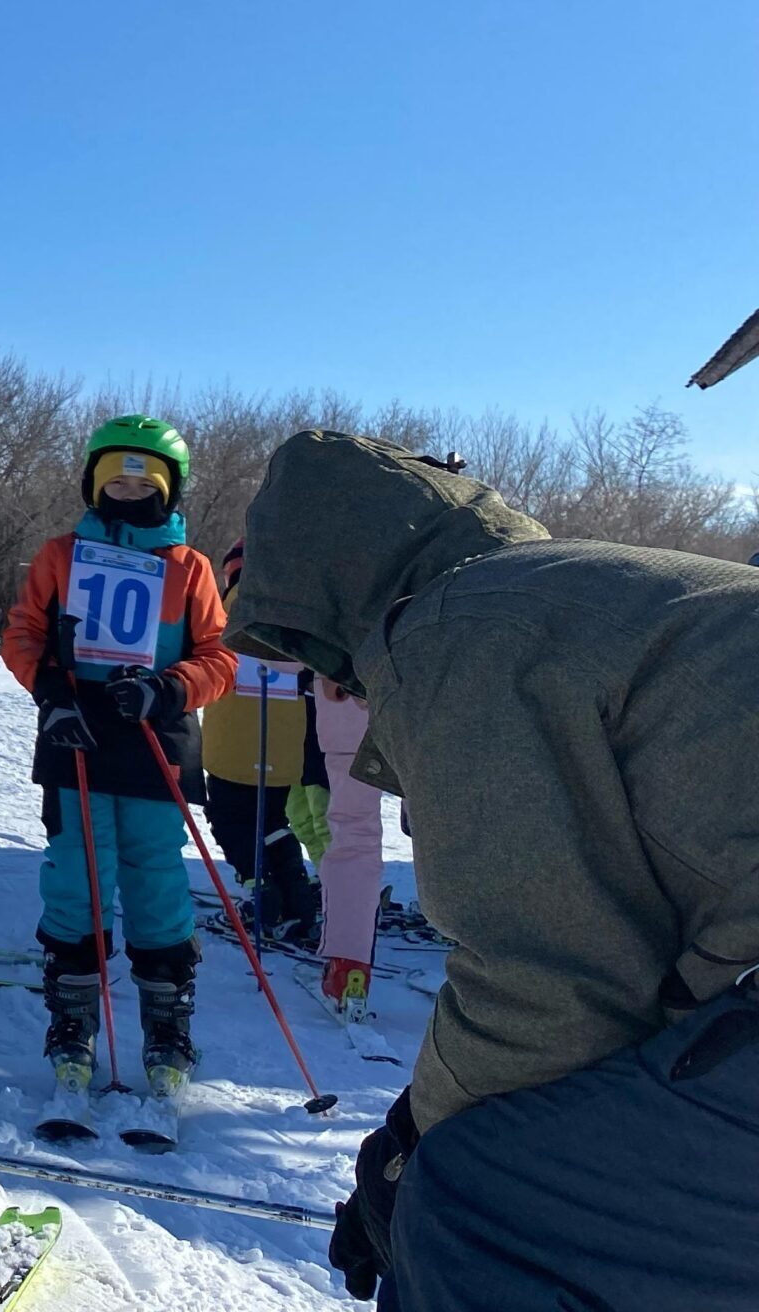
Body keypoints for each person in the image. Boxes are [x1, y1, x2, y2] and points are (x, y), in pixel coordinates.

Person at [229, 431, 759, 1312]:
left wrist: (409, 1153)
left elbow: (549, 986)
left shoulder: (454, 630)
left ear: (330, 585)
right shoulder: (589, 590)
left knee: (473, 1202)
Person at [0, 417, 234, 1097]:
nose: (130, 490)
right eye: (117, 478)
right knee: (77, 871)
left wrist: (168, 688)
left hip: (155, 738)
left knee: (155, 874)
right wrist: (48, 688)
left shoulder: (188, 569)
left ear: (169, 490)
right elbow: (24, 632)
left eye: (145, 480)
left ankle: (166, 1020)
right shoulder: (61, 554)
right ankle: (73, 1018)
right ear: (94, 483)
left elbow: (219, 657)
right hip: (78, 732)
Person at [201, 540, 323, 946]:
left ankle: (261, 896)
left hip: (237, 736)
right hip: (285, 736)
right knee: (272, 821)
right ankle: (299, 903)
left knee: (230, 819)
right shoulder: (296, 609)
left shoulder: (240, 601)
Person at [309, 675, 380, 1012]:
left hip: (350, 705)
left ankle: (349, 972)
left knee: (354, 835)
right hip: (437, 703)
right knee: (447, 835)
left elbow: (283, 647)